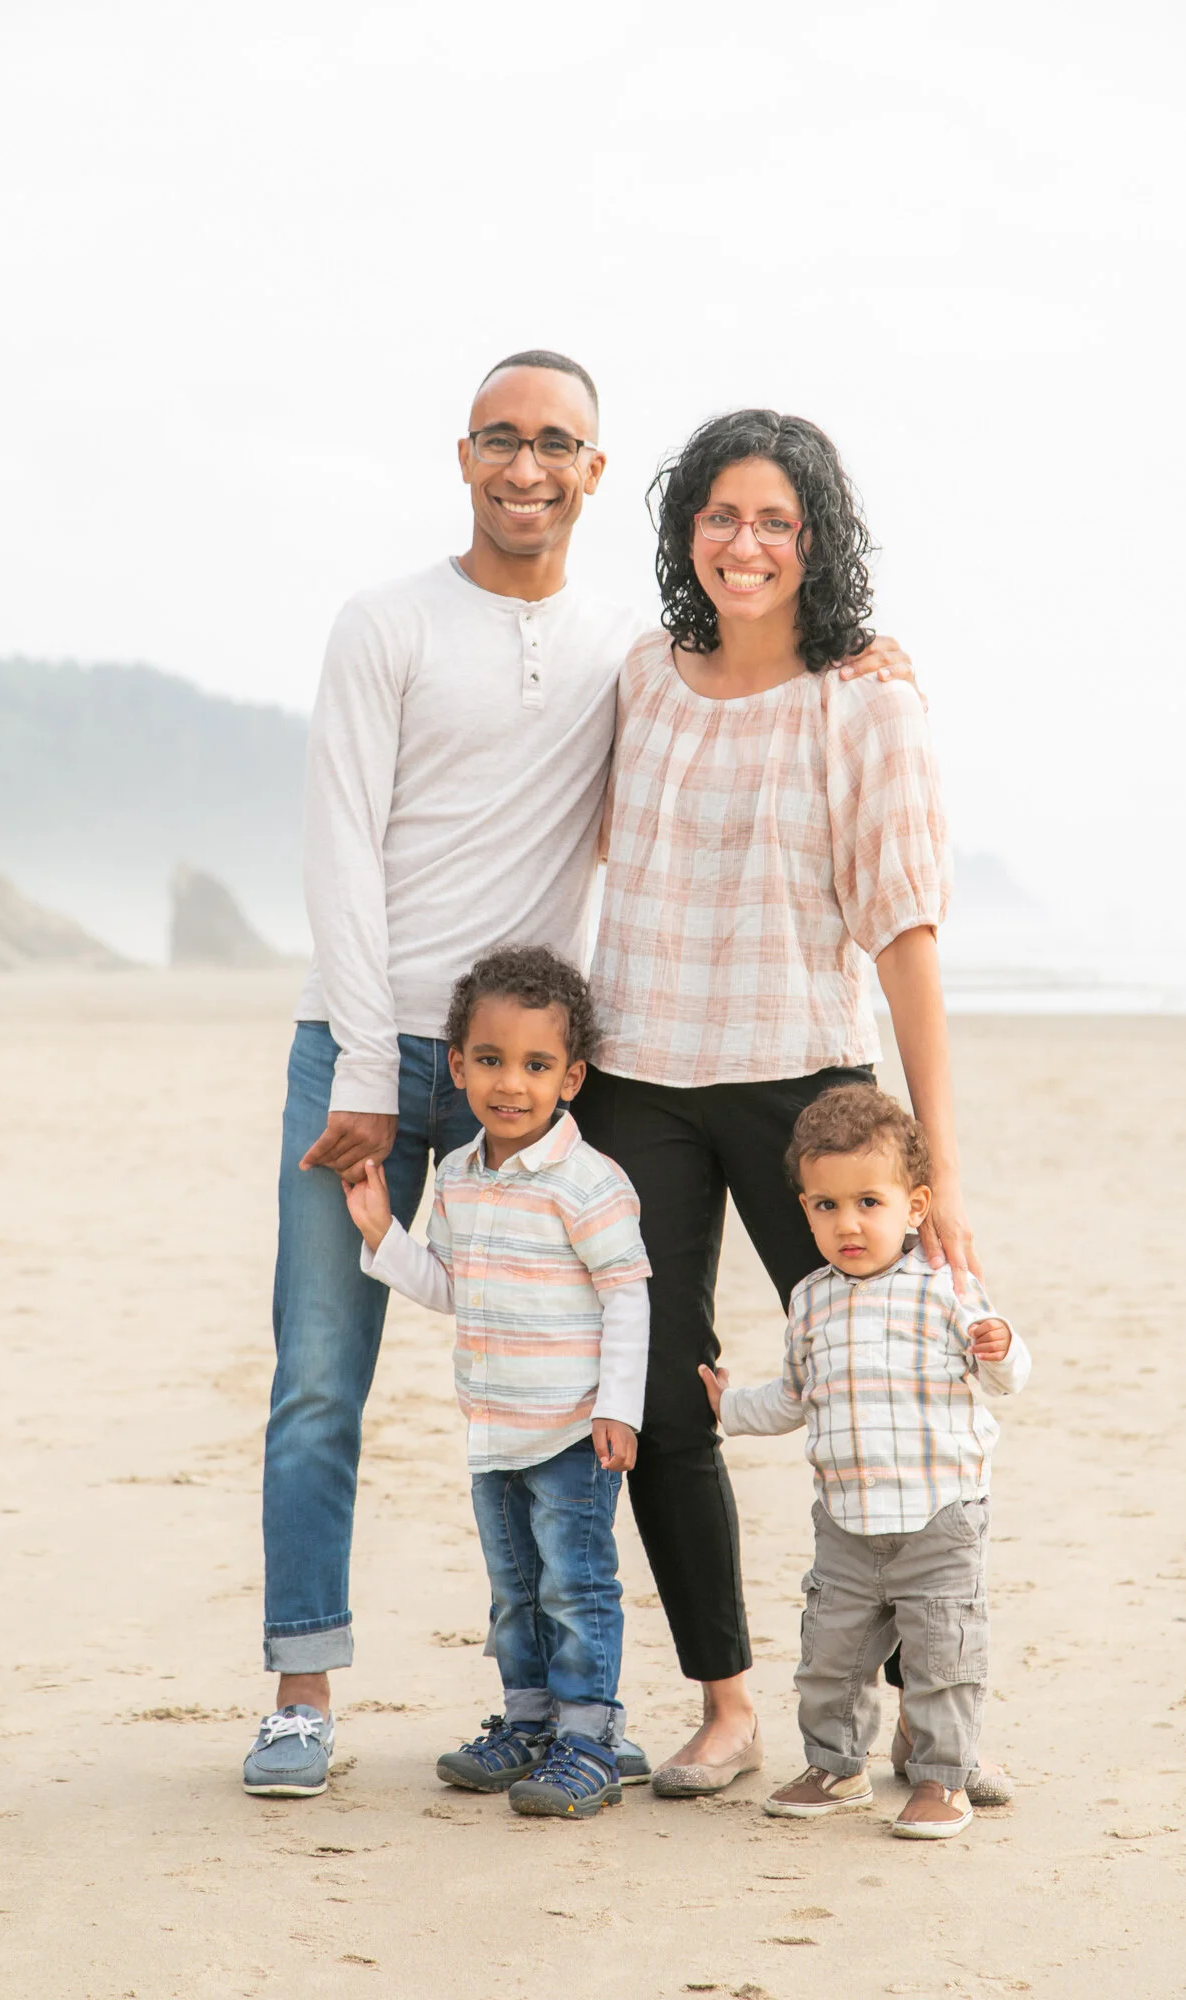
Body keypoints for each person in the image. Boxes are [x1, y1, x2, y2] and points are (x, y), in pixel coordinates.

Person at [243, 353, 909, 1797]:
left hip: (535, 1079)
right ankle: (302, 1692)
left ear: (598, 474)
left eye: (558, 444)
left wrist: (864, 657)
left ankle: (573, 1710)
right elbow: (335, 849)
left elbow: (752, 692)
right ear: (465, 453)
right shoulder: (385, 623)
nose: (527, 466)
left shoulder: (626, 643)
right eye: (502, 438)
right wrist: (366, 1057)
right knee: (319, 1384)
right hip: (362, 1052)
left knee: (582, 1390)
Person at [576, 408, 969, 1794]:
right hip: (638, 1087)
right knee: (666, 1401)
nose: (746, 545)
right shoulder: (640, 676)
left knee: (884, 1391)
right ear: (686, 531)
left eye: (776, 522)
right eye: (721, 517)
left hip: (807, 1087)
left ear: (816, 544)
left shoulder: (864, 700)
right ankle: (728, 1704)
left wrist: (942, 1173)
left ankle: (936, 1721)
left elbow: (905, 932)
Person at [345, 947, 650, 1820]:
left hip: (569, 1431)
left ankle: (590, 1739)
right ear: (457, 1066)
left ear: (572, 1076)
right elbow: (451, 1287)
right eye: (489, 1060)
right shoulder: (462, 1177)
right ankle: (529, 1725)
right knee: (513, 1591)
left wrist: (615, 1410)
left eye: (535, 1065)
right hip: (492, 1427)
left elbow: (627, 1296)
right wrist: (383, 1233)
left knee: (574, 1587)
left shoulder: (587, 1184)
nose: (509, 1084)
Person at [700, 1085, 1030, 1838]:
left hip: (939, 1518)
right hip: (845, 1525)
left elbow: (1004, 1379)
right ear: (805, 1206)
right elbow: (792, 1399)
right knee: (830, 1658)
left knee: (942, 1655)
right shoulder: (810, 1299)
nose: (846, 1223)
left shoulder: (946, 1289)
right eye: (824, 1206)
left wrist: (1001, 1346)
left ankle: (942, 1778)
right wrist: (726, 1407)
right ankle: (835, 1765)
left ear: (914, 1207)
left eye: (868, 1203)